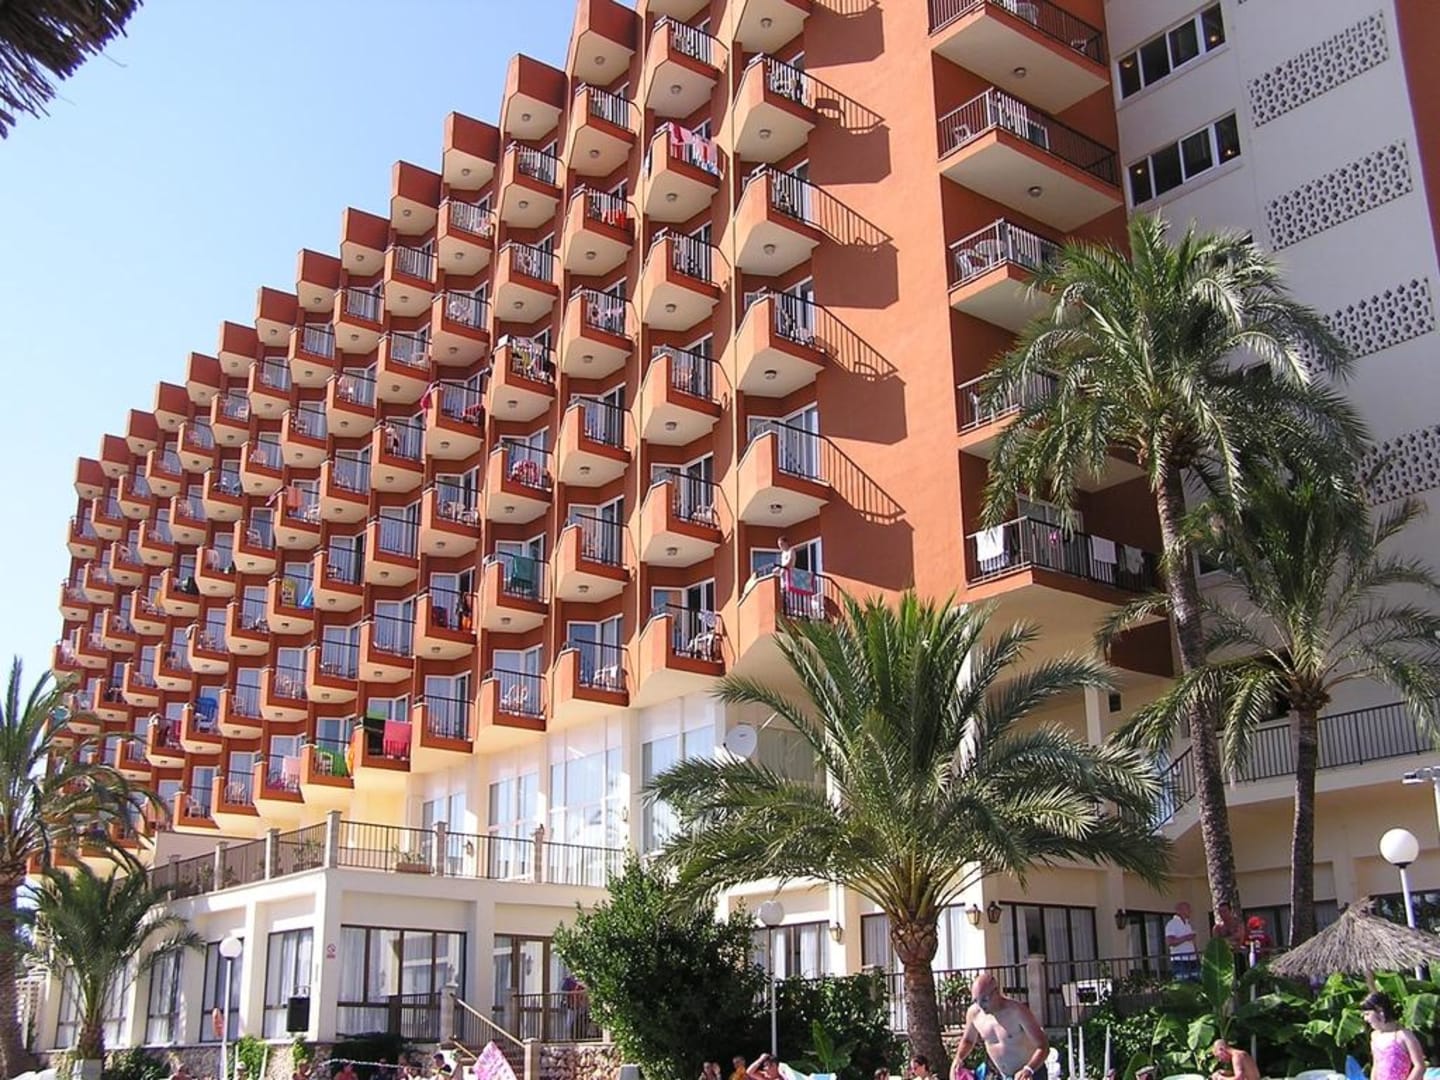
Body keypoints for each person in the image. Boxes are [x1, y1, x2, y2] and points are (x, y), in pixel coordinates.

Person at [952, 972, 1049, 1080]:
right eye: (976, 1000)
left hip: (1030, 1074)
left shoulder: (1017, 1011)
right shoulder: (974, 1014)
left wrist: (1028, 1069)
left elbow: (1043, 1046)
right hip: (999, 1075)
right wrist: (958, 1058)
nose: (981, 1005)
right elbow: (968, 1040)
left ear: (996, 992)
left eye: (984, 999)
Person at [1363, 991, 1427, 1080]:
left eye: (1367, 1014)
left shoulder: (1404, 1036)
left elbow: (1419, 1066)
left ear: (1380, 1011)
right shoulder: (1374, 1036)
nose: (1365, 1019)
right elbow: (1376, 1065)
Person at [1165, 901, 1199, 981]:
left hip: (1192, 959)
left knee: (1195, 983)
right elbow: (1170, 941)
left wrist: (1197, 956)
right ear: (1180, 910)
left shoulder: (1188, 924)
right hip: (1180, 960)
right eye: (1188, 908)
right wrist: (1186, 938)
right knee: (1183, 984)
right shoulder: (1172, 924)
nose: (1190, 911)